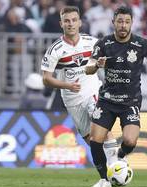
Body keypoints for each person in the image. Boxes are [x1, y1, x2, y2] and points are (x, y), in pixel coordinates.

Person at [85, 6, 147, 187]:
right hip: (107, 100)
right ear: (113, 23)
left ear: (132, 23)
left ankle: (119, 156)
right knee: (95, 141)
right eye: (120, 21)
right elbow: (88, 68)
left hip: (130, 102)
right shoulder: (103, 44)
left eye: (127, 22)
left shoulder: (141, 44)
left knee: (130, 141)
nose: (123, 25)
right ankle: (104, 179)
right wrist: (97, 66)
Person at [41, 6, 118, 171]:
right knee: (91, 140)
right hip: (72, 100)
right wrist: (66, 85)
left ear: (80, 22)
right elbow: (46, 79)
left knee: (100, 123)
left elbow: (103, 62)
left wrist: (100, 64)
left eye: (74, 20)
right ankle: (106, 177)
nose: (71, 24)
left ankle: (118, 165)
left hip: (92, 91)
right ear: (61, 24)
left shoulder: (91, 42)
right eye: (67, 21)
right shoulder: (55, 50)